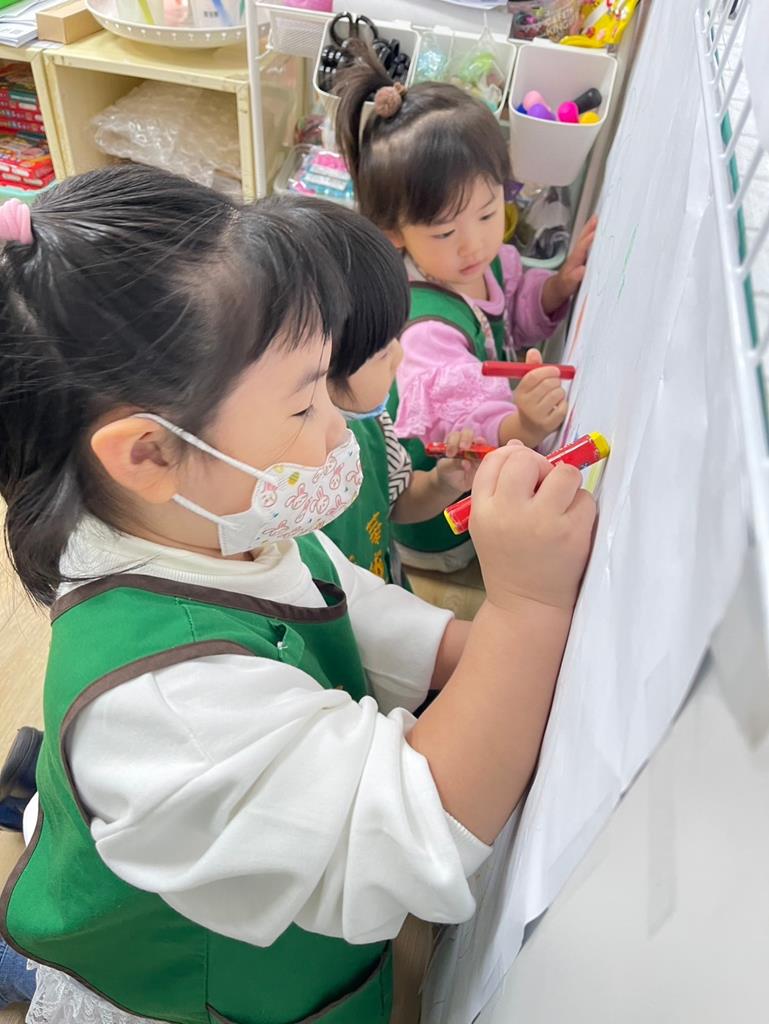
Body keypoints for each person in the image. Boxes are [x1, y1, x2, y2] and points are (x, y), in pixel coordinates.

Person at [0, 168, 595, 1024]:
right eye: (303, 404)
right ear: (150, 455)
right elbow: (417, 830)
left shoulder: (222, 518)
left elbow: (347, 605)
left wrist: (486, 648)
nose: (337, 426)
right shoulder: (169, 707)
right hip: (188, 991)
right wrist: (527, 608)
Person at [334, 48, 596, 571]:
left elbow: (513, 307)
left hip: (488, 469)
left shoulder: (476, 263)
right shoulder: (426, 331)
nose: (473, 243)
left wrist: (556, 288)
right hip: (442, 514)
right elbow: (479, 430)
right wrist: (524, 424)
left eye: (487, 212)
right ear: (394, 233)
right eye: (445, 232)